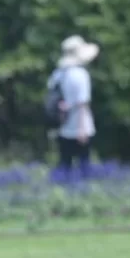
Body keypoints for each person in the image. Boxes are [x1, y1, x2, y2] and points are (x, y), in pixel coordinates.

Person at [50, 35, 98, 175]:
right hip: (80, 126)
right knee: (84, 164)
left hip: (63, 125)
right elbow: (83, 103)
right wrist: (82, 129)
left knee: (65, 164)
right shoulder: (81, 74)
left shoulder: (58, 74)